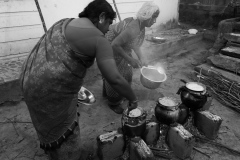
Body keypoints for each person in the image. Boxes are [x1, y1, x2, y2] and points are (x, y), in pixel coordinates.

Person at [19, 0, 138, 159]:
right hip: (50, 91)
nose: (109, 28)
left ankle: (53, 153)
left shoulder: (64, 23)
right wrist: (133, 98)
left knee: (48, 124)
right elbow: (115, 78)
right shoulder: (99, 40)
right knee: (66, 133)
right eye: (109, 22)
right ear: (101, 17)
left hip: (28, 80)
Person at [103, 2, 159, 114]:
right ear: (147, 17)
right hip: (110, 46)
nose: (155, 21)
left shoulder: (140, 25)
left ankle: (109, 93)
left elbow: (135, 44)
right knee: (116, 73)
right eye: (153, 18)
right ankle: (113, 102)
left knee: (126, 71)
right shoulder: (133, 27)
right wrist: (130, 59)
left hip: (118, 45)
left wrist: (142, 57)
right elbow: (114, 45)